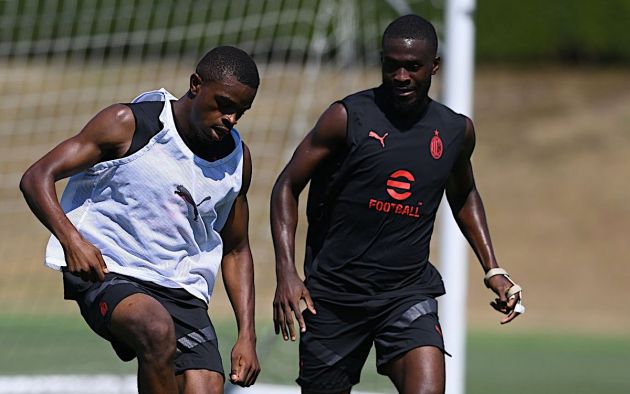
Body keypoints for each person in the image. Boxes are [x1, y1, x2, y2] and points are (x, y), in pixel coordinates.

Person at [270, 15, 524, 394]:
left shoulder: (455, 131)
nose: (401, 76)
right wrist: (287, 273)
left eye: (413, 66)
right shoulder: (346, 118)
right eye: (393, 65)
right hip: (334, 298)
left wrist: (493, 269)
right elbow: (287, 186)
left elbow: (464, 194)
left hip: (405, 293)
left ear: (434, 67)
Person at [20, 46, 261, 394]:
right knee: (154, 328)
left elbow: (237, 249)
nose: (232, 118)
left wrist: (246, 335)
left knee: (205, 387)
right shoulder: (131, 124)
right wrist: (72, 241)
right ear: (196, 85)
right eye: (224, 104)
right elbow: (37, 176)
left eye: (241, 111)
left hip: (181, 291)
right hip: (109, 270)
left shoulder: (236, 160)